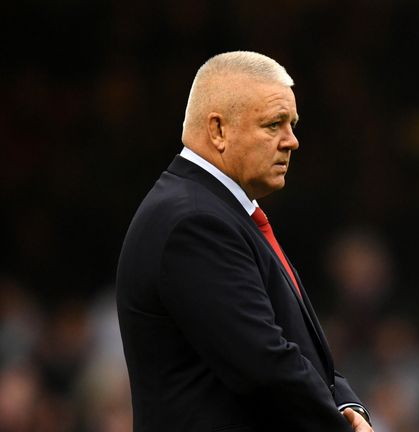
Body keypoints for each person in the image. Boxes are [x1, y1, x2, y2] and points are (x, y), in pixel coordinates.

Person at [116, 51, 372, 431]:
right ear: (218, 130)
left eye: (293, 124)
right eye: (274, 125)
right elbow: (264, 365)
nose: (292, 141)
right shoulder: (195, 222)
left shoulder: (221, 212)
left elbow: (303, 351)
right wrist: (338, 424)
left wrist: (350, 405)